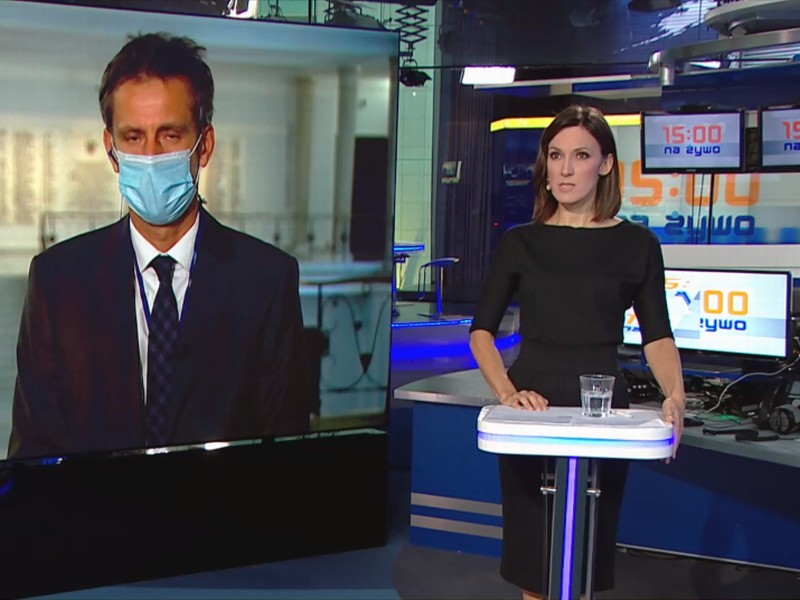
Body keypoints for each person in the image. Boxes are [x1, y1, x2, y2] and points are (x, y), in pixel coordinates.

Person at [8, 33, 311, 460]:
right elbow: (33, 457)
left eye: (169, 135)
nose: (150, 156)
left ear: (204, 145)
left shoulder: (265, 280)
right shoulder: (58, 282)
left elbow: (287, 454)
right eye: (133, 137)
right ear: (111, 150)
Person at [469, 105, 685, 599]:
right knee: (535, 564)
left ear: (605, 164)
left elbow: (658, 335)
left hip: (602, 404)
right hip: (532, 402)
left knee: (583, 556)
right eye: (556, 155)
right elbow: (481, 331)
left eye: (581, 156)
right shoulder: (521, 243)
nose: (565, 169)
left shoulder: (638, 244)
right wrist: (506, 392)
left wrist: (675, 395)